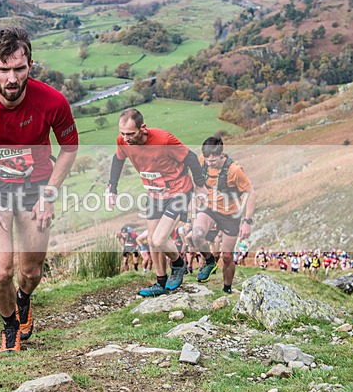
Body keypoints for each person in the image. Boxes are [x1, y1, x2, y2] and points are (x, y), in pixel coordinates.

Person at [0, 27, 78, 353]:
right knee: (1, 270)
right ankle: (10, 326)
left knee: (31, 272)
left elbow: (69, 147)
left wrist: (49, 195)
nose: (12, 79)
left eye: (19, 69)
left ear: (30, 66)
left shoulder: (52, 101)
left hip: (35, 187)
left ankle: (24, 299)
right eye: (3, 69)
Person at [106, 109, 206, 297]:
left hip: (178, 191)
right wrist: (112, 188)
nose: (126, 138)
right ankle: (160, 283)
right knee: (152, 240)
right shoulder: (123, 141)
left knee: (160, 240)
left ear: (142, 128)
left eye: (130, 134)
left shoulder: (164, 140)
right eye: (122, 133)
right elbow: (117, 160)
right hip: (154, 193)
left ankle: (178, 264)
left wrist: (200, 185)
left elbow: (191, 158)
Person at [191, 136, 255, 294]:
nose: (209, 163)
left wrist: (247, 222)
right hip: (209, 208)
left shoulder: (235, 170)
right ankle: (210, 261)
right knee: (196, 236)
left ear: (221, 155)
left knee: (227, 256)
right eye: (207, 160)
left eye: (213, 161)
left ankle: (227, 288)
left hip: (230, 214)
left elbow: (250, 192)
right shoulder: (202, 161)